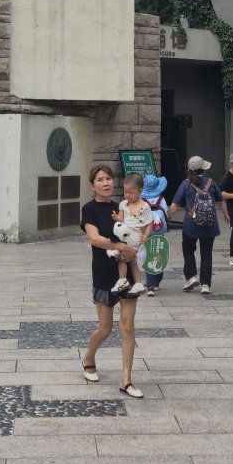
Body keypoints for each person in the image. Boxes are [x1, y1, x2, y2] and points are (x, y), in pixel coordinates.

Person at [81, 163, 144, 397]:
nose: (105, 183)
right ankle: (89, 357)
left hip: (126, 272)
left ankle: (126, 379)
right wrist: (121, 246)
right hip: (104, 272)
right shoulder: (89, 209)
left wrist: (138, 245)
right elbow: (94, 238)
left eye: (108, 178)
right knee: (105, 328)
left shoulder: (122, 207)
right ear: (92, 185)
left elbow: (136, 230)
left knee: (127, 326)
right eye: (100, 180)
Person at [171, 156, 228, 293]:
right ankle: (205, 284)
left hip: (191, 224)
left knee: (188, 250)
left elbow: (175, 205)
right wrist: (226, 214)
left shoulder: (185, 184)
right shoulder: (211, 183)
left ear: (190, 170)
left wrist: (166, 216)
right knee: (207, 253)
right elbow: (220, 202)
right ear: (203, 169)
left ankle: (191, 277)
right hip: (209, 225)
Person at [111, 173, 151, 296]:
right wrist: (116, 217)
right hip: (124, 235)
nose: (127, 195)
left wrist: (146, 235)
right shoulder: (123, 204)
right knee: (132, 260)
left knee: (121, 258)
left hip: (135, 237)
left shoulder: (145, 206)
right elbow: (122, 219)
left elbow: (149, 223)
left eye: (131, 192)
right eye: (125, 192)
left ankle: (123, 280)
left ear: (140, 191)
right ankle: (138, 283)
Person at [139, 173, 171, 295]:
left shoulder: (142, 200)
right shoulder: (161, 199)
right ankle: (157, 281)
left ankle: (150, 284)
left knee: (148, 254)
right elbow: (166, 215)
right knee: (159, 252)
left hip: (146, 232)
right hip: (159, 231)